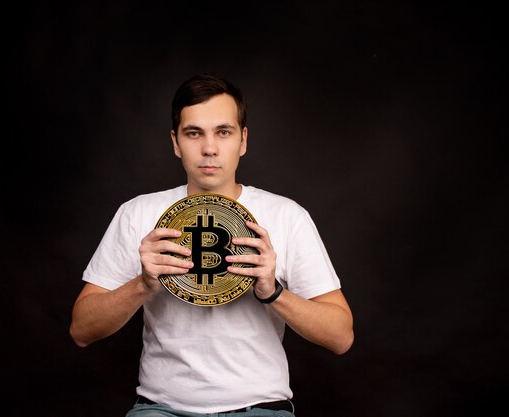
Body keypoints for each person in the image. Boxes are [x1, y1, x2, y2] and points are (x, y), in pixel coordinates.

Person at [70, 73, 354, 416]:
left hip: (259, 409)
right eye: (194, 133)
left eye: (223, 132)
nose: (209, 148)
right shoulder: (138, 213)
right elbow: (81, 330)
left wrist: (272, 292)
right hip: (161, 409)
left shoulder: (286, 216)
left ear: (243, 140)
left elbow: (341, 337)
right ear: (176, 143)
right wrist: (142, 285)